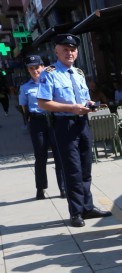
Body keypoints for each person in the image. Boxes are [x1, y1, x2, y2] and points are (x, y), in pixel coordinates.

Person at [37, 34, 112, 227]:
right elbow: (43, 103)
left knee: (86, 168)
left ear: (77, 52)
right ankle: (76, 212)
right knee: (72, 171)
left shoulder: (79, 73)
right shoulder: (49, 73)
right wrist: (71, 108)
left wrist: (88, 105)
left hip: (82, 123)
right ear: (56, 51)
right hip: (64, 125)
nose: (69, 53)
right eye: (65, 49)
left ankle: (88, 207)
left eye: (72, 50)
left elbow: (83, 98)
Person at [19, 54, 66, 200]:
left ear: (43, 67)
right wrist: (28, 122)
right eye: (31, 68)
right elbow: (23, 106)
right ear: (28, 70)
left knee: (59, 156)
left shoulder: (52, 82)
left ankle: (63, 188)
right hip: (37, 122)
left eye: (37, 67)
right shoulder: (25, 87)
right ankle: (40, 188)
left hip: (53, 120)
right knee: (40, 157)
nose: (35, 71)